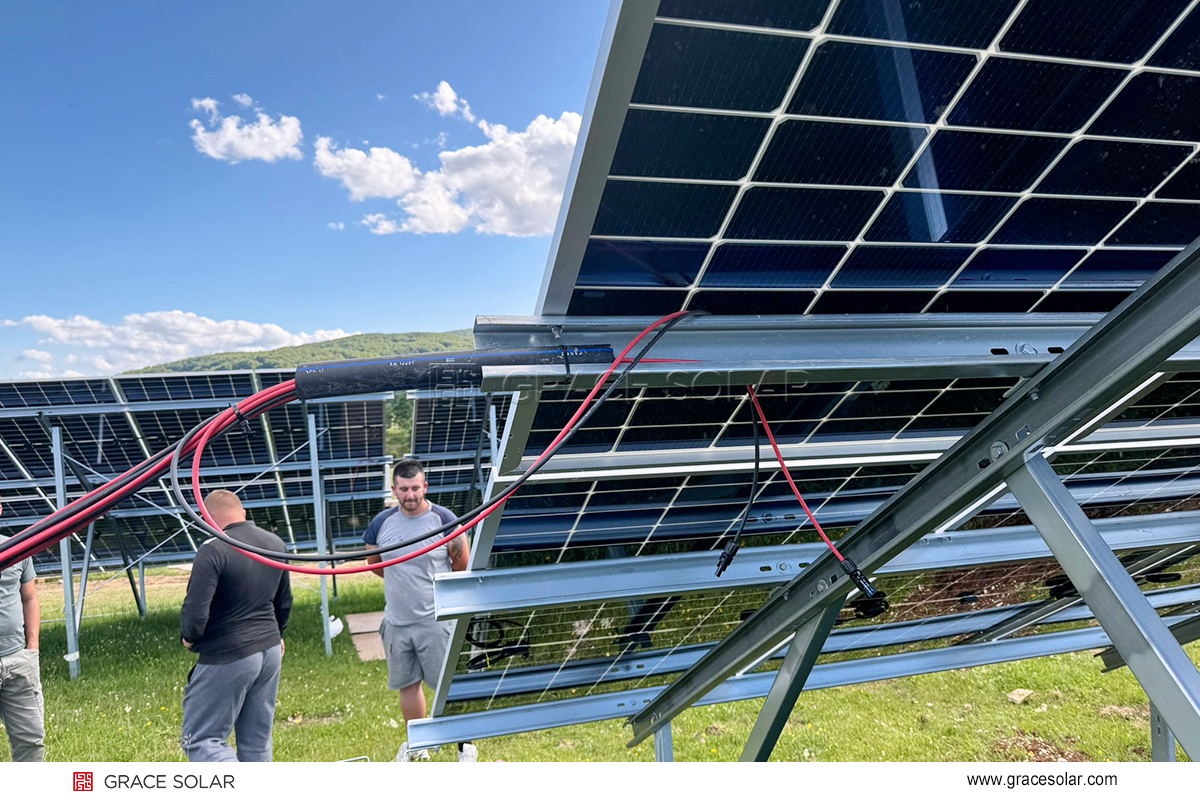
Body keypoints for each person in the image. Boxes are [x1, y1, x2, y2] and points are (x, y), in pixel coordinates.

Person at [364, 460, 473, 762]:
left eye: (415, 488)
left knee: (446, 687)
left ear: (425, 487)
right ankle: (419, 744)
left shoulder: (445, 520)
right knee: (408, 686)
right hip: (397, 622)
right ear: (394, 490)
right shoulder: (380, 524)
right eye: (403, 489)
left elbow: (460, 564)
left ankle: (464, 747)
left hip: (435, 621)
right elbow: (375, 565)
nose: (410, 494)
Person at [179, 490, 292, 762]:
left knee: (204, 740)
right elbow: (284, 600)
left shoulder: (213, 549)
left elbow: (195, 612)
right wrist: (278, 634)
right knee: (257, 741)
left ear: (208, 518)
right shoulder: (274, 543)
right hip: (269, 651)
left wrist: (190, 637)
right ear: (242, 513)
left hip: (228, 654)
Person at [0, 498, 44, 762]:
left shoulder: (17, 549)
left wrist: (32, 647)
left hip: (18, 659)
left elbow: (30, 598)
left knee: (31, 738)